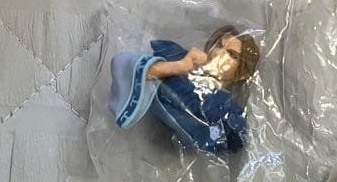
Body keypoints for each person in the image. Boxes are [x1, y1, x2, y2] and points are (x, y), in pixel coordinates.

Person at [109, 24, 259, 153]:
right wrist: (179, 66)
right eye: (219, 45)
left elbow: (214, 139)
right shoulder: (176, 55)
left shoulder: (229, 112)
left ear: (243, 73)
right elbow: (126, 65)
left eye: (231, 55)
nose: (219, 54)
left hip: (168, 160)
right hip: (133, 142)